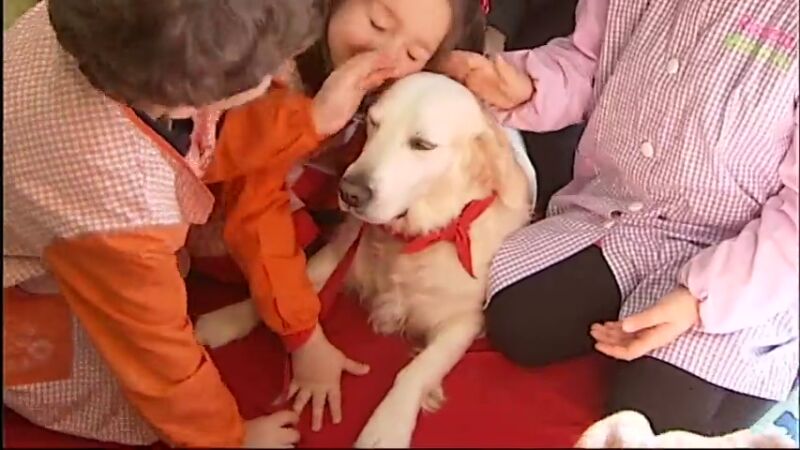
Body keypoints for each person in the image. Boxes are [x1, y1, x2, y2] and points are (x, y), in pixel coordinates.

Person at [440, 0, 799, 436]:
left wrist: (696, 303)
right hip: (626, 213)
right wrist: (526, 87)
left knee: (652, 415)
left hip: (754, 256)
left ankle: (773, 350)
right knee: (520, 320)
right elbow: (589, 63)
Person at [3, 0, 333, 446]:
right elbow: (154, 354)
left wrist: (308, 119)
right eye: (267, 70)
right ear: (182, 106)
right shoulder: (124, 205)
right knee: (132, 399)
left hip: (46, 193)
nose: (282, 71)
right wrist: (225, 439)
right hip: (27, 285)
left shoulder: (104, 27)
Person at [188, 0, 488, 434]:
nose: (386, 56)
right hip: (215, 230)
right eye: (378, 23)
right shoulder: (270, 77)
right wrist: (304, 338)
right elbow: (256, 217)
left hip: (296, 216)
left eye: (412, 53)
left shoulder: (397, 94)